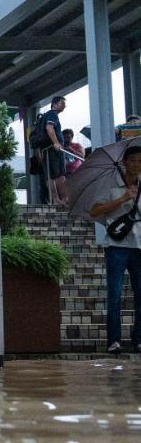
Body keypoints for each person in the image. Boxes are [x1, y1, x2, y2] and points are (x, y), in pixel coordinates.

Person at [89, 145, 141, 355]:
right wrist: (122, 199)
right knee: (115, 294)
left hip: (139, 245)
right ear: (125, 162)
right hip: (117, 246)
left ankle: (138, 340)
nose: (137, 164)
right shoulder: (111, 185)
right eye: (134, 160)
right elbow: (94, 211)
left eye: (140, 161)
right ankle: (114, 340)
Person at [38, 96, 67, 204]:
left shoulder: (46, 115)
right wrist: (56, 142)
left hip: (46, 149)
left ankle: (55, 199)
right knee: (59, 174)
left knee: (50, 176)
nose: (64, 105)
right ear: (54, 104)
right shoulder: (52, 114)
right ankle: (64, 199)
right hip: (53, 149)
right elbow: (49, 128)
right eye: (62, 103)